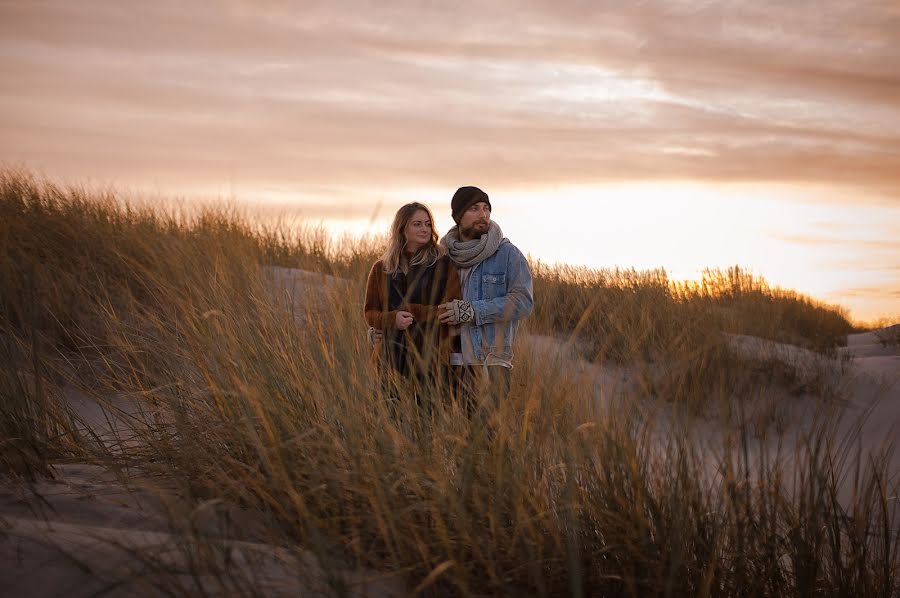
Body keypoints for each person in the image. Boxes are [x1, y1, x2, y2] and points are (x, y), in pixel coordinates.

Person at [437, 186, 534, 411]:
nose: (483, 214)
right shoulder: (442, 257)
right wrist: (386, 325)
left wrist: (474, 310)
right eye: (474, 208)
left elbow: (523, 302)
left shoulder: (507, 254)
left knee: (487, 438)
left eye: (486, 208)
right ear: (458, 216)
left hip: (491, 362)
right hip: (449, 361)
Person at [364, 202, 462, 403]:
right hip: (389, 358)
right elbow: (370, 313)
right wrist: (392, 319)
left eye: (427, 224)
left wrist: (412, 311)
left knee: (427, 422)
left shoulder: (443, 264)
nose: (425, 229)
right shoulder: (381, 268)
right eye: (417, 224)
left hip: (432, 359)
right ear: (402, 228)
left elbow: (451, 310)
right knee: (390, 420)